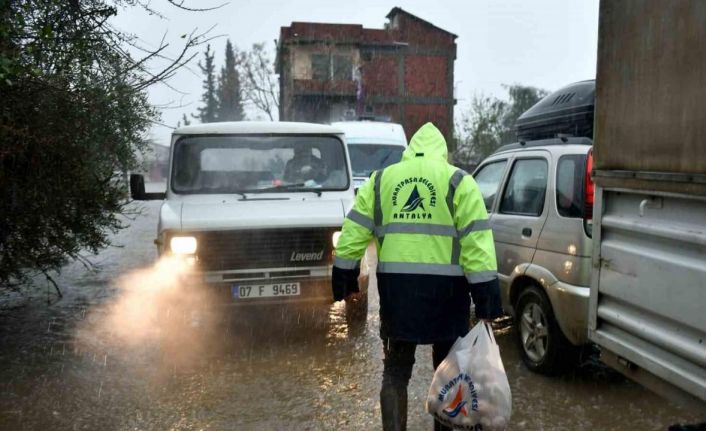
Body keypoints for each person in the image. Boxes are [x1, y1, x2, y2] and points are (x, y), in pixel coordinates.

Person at [332, 122, 502, 431]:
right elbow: (477, 243)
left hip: (398, 295)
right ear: (443, 151)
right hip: (447, 296)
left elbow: (354, 229)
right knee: (449, 372)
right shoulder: (458, 181)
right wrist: (486, 298)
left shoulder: (380, 180)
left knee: (396, 371)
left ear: (410, 150)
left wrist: (344, 271)